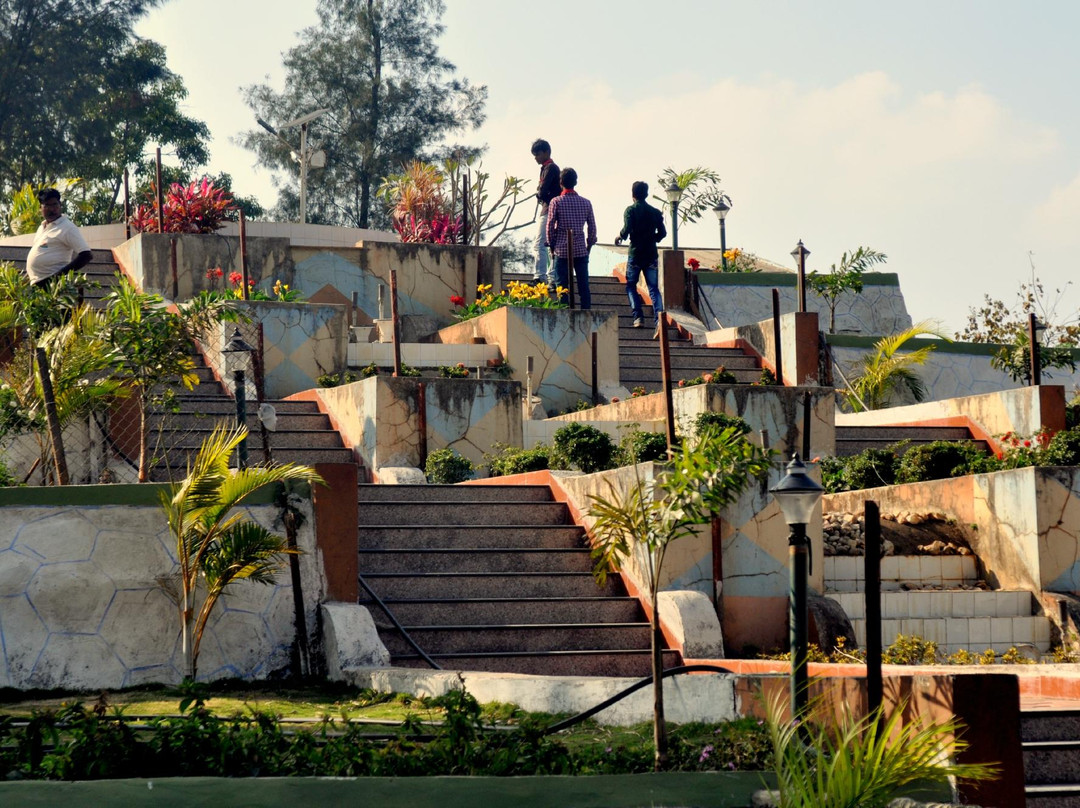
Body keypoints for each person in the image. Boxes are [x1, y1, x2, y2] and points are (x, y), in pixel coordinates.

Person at [615, 181, 666, 338]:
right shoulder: (655, 212)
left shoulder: (630, 210)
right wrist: (653, 239)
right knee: (653, 289)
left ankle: (638, 317)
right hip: (651, 254)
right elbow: (663, 233)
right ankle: (659, 322)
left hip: (636, 254)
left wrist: (620, 236)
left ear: (633, 195)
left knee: (631, 286)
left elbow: (627, 227)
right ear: (646, 194)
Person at [546, 167, 596, 309]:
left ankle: (564, 313)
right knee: (583, 286)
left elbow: (550, 226)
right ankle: (586, 312)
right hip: (580, 248)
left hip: (561, 249)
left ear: (560, 182)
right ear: (576, 182)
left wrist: (551, 245)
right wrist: (589, 245)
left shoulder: (556, 202)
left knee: (562, 286)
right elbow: (592, 227)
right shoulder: (586, 202)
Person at [25, 189, 92, 287]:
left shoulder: (67, 227)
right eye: (47, 205)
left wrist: (57, 277)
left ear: (60, 205)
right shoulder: (41, 227)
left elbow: (86, 255)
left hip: (54, 286)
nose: (52, 209)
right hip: (36, 284)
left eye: (55, 204)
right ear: (40, 208)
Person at [530, 138, 561, 285]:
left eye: (538, 154)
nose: (536, 158)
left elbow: (542, 191)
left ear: (546, 152)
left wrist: (539, 194)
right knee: (551, 245)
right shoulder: (549, 168)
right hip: (554, 210)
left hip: (548, 209)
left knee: (540, 244)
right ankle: (552, 278)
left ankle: (540, 276)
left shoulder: (550, 168)